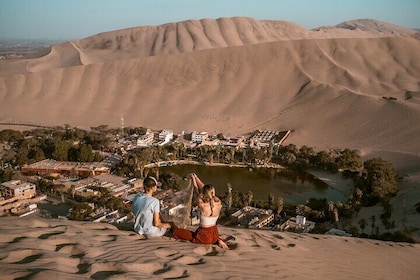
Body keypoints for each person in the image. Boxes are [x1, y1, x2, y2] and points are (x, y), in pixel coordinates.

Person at [171, 173, 229, 249]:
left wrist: (194, 180)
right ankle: (217, 240)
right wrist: (197, 178)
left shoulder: (202, 204)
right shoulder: (218, 202)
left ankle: (215, 240)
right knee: (197, 234)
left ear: (204, 192)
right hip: (215, 233)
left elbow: (196, 190)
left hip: (203, 236)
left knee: (175, 231)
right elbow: (206, 190)